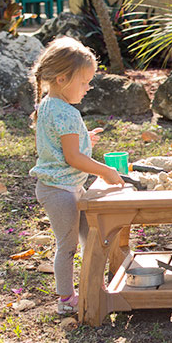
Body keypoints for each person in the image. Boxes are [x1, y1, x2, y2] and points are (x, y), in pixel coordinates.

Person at [29, 37, 124, 314]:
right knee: (68, 245)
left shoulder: (49, 104)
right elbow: (72, 158)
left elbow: (62, 145)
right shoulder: (66, 112)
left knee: (90, 236)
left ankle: (92, 284)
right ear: (61, 79)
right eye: (84, 83)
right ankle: (66, 299)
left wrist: (85, 139)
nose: (88, 88)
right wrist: (105, 171)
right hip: (59, 191)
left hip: (64, 186)